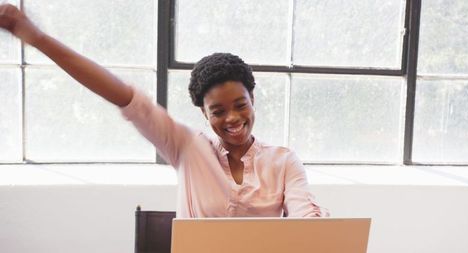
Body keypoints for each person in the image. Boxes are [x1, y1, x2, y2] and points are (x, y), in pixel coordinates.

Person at [0, 4, 329, 218]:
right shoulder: (188, 148)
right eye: (218, 111)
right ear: (204, 113)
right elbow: (126, 97)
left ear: (253, 99)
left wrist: (319, 230)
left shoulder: (283, 162)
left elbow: (306, 216)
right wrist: (38, 38)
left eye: (240, 105)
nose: (232, 118)